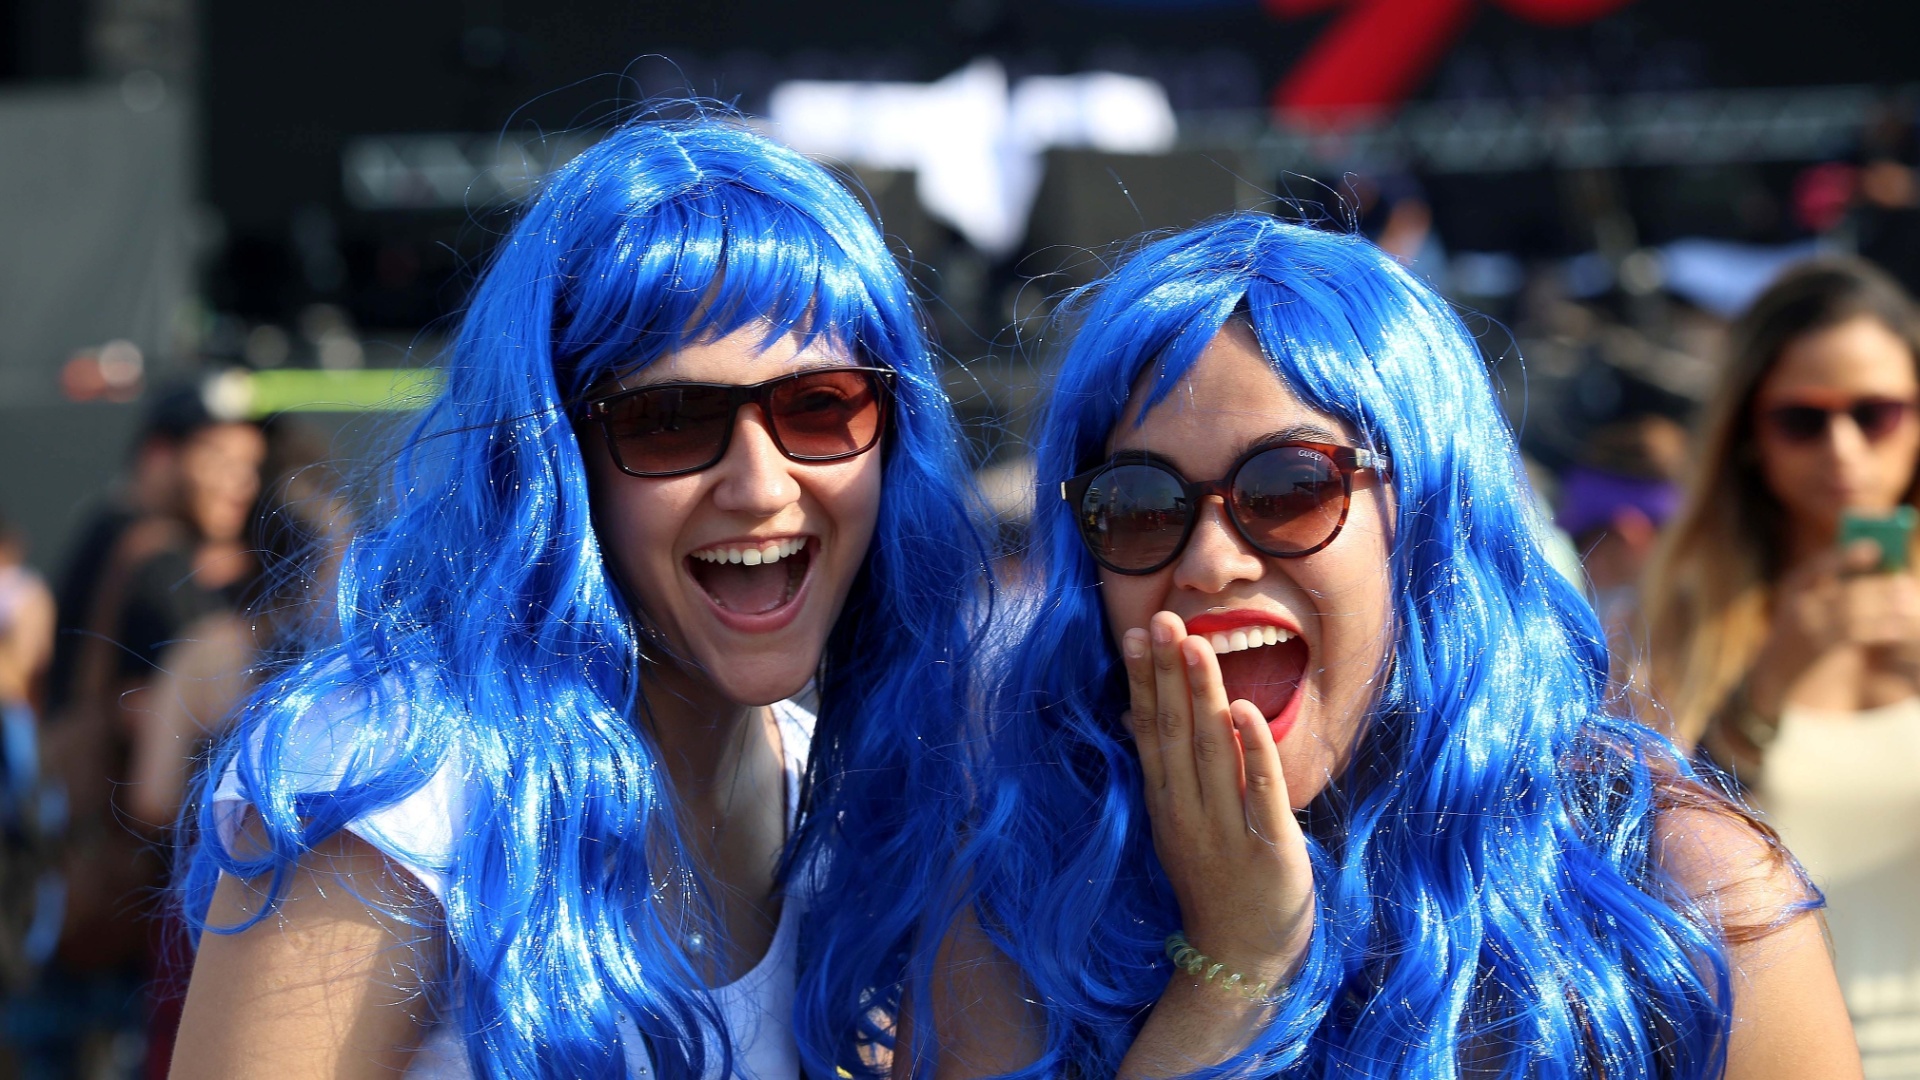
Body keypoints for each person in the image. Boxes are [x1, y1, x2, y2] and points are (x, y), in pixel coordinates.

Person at [797, 215, 1859, 1078]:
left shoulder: (1684, 893)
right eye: (1139, 505)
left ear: (1429, 523)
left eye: (1289, 488)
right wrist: (1226, 972)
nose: (1209, 560)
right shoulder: (1015, 910)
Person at [169, 113, 992, 1079]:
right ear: (556, 466)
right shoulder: (394, 782)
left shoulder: (845, 811)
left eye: (820, 407)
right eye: (671, 421)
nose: (763, 485)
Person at [1642, 257, 1920, 1074]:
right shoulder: (1684, 615)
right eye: (1803, 419)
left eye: (1877, 415)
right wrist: (1770, 685)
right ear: (1751, 436)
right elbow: (1647, 859)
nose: (1843, 449)